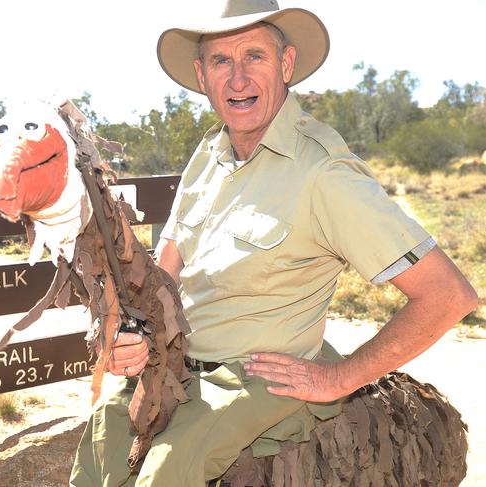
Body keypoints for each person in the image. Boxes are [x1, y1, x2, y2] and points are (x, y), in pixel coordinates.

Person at [70, 1, 478, 486]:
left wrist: (341, 377)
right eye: (222, 61)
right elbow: (165, 275)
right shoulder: (209, 154)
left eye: (255, 57)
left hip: (252, 378)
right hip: (179, 365)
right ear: (202, 75)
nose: (237, 78)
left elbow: (449, 295)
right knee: (98, 449)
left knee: (164, 475)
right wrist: (131, 338)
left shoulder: (322, 173)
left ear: (286, 64)